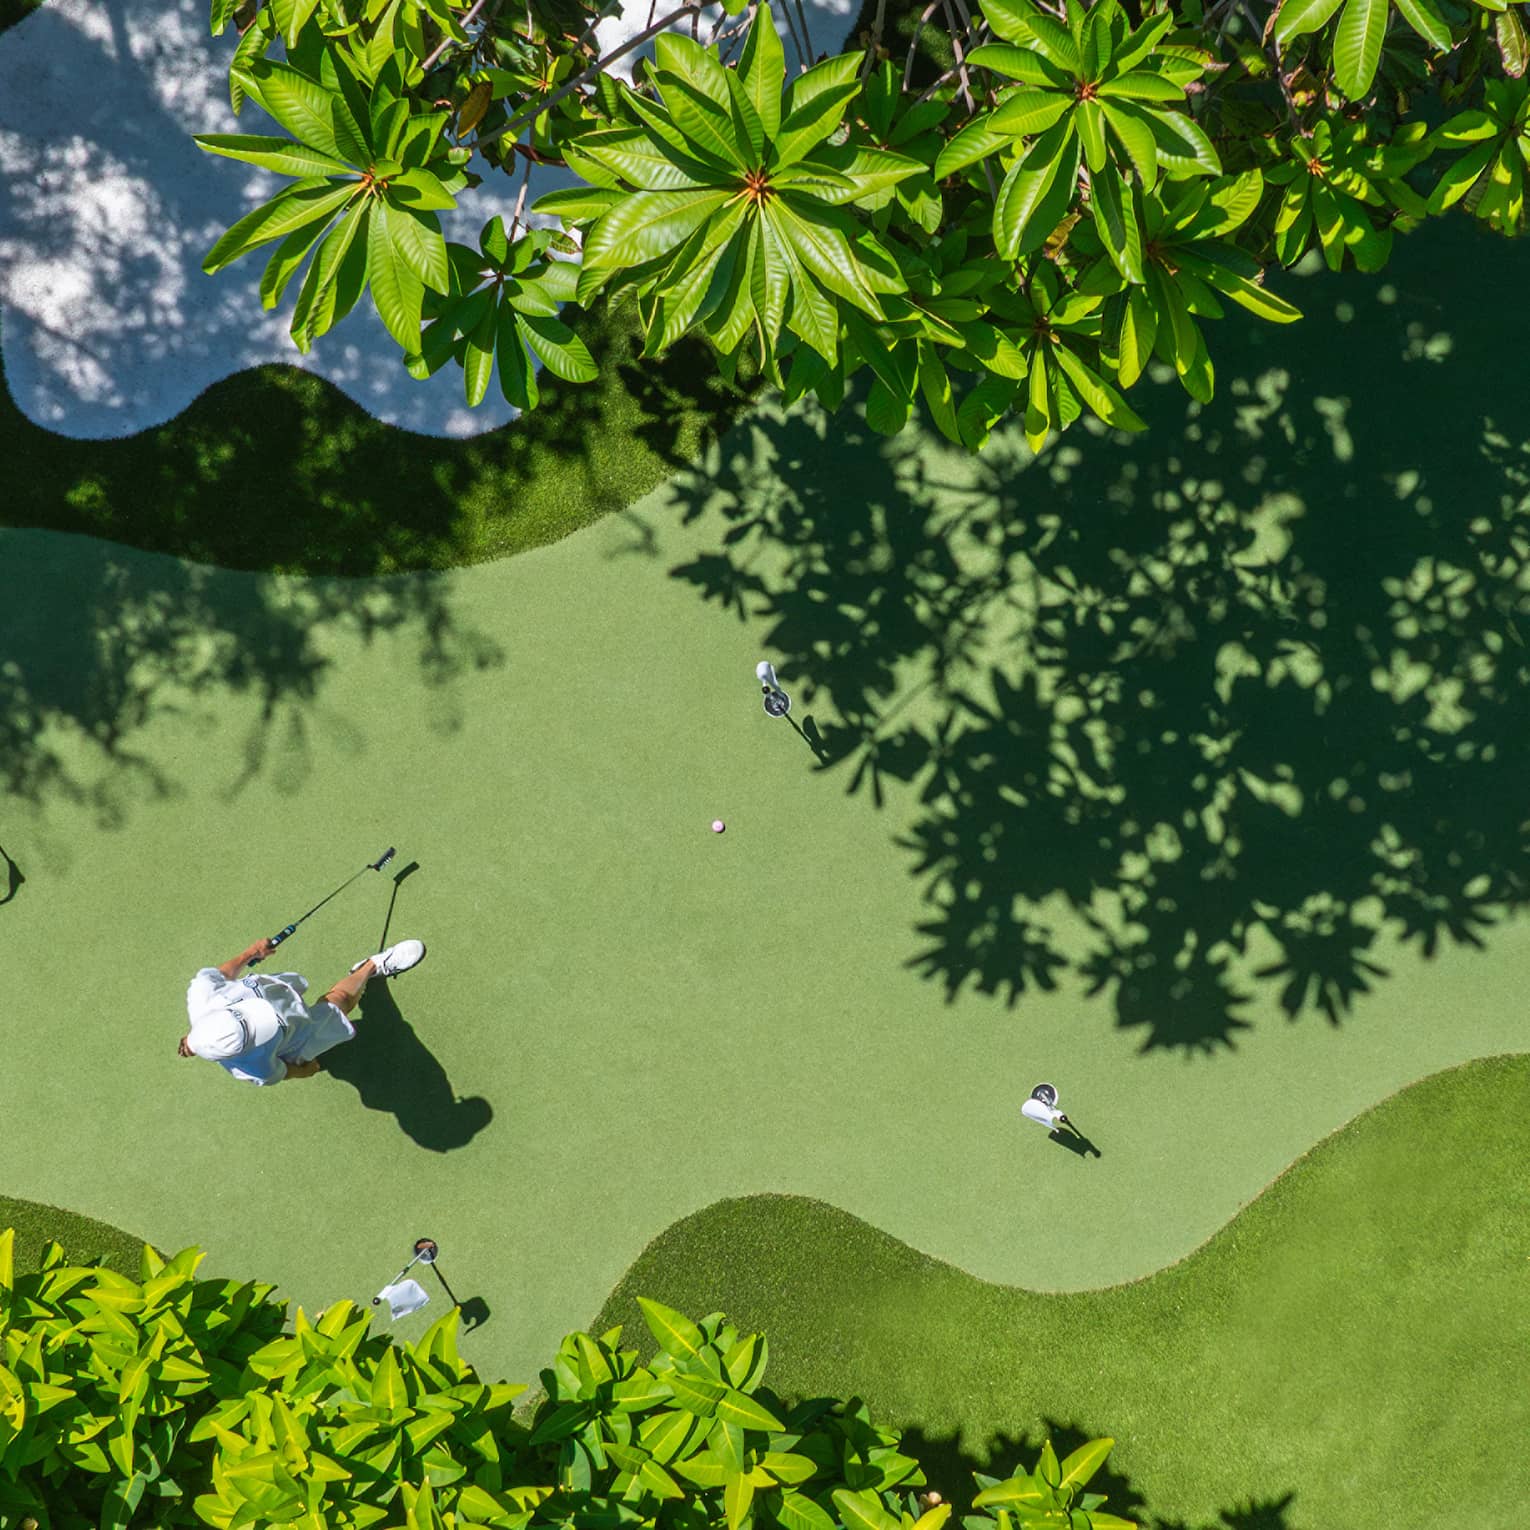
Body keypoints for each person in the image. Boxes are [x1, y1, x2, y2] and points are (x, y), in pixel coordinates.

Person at [178, 937, 426, 1085]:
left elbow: (221, 974)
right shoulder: (253, 1068)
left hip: (271, 992)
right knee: (338, 1002)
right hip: (290, 1041)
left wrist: (252, 952)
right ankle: (371, 966)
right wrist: (307, 1069)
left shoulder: (202, 995)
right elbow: (286, 1071)